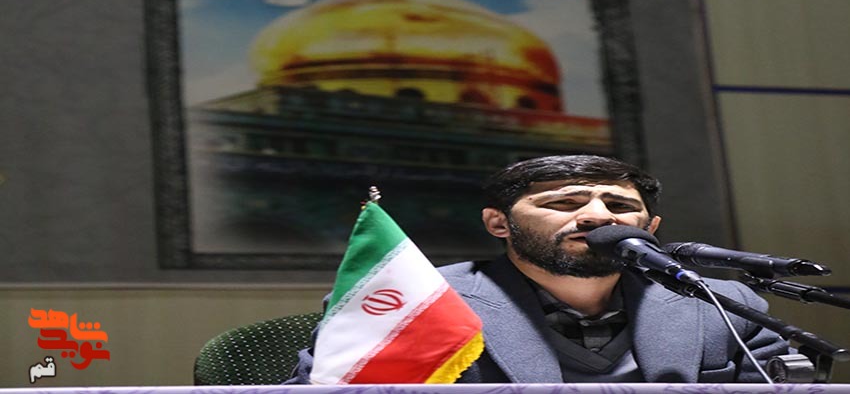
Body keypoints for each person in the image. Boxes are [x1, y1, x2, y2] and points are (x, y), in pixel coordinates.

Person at [288, 154, 789, 383]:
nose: (598, 217)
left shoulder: (724, 305)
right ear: (498, 223)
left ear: (650, 226)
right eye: (565, 202)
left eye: (619, 206)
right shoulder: (412, 302)